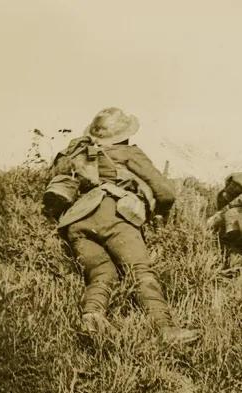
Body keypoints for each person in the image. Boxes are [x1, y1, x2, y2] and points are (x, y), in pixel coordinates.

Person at [42, 107, 201, 345]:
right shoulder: (128, 152)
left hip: (76, 221)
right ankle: (165, 329)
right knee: (140, 271)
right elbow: (165, 192)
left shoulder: (76, 152)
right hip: (114, 214)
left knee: (102, 272)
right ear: (124, 135)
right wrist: (160, 213)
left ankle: (93, 316)